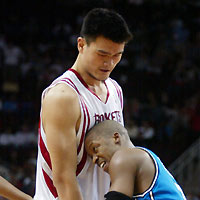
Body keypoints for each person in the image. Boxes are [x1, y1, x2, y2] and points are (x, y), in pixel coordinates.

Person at [34, 8, 132, 200]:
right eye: (102, 54)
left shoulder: (115, 90)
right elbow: (63, 179)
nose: (109, 63)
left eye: (117, 55)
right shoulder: (63, 97)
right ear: (81, 44)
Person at [85, 120, 187, 200]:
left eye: (95, 148)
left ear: (116, 138)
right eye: (91, 157)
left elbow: (117, 198)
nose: (94, 159)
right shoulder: (141, 157)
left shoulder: (124, 157)